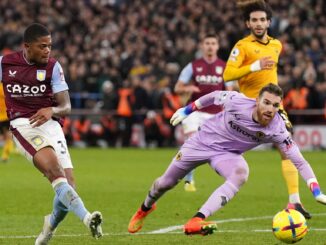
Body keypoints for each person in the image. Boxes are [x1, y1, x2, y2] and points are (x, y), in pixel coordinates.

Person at [128, 83, 326, 236]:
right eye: (266, 102)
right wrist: (188, 110)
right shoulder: (237, 101)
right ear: (257, 100)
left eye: (275, 105)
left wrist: (316, 191)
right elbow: (214, 97)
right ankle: (144, 208)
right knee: (165, 183)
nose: (270, 109)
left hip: (227, 155)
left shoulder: (277, 129)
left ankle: (197, 220)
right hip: (200, 143)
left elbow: (300, 161)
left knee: (241, 173)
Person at [0, 23, 103, 244]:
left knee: (69, 185)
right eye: (42, 46)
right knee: (55, 170)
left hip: (51, 123)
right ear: (26, 47)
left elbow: (66, 106)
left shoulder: (54, 67)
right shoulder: (5, 63)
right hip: (23, 125)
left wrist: (52, 109)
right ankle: (87, 218)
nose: (48, 51)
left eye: (50, 46)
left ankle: (49, 227)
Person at [222, 0, 311, 219]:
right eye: (254, 20)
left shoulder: (276, 45)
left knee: (287, 147)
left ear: (269, 22)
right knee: (228, 151)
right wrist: (254, 66)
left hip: (273, 106)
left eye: (262, 19)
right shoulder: (242, 46)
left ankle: (295, 202)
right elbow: (227, 75)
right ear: (248, 23)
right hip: (249, 107)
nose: (259, 23)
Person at [174, 32, 231, 192]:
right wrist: (188, 87)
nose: (210, 46)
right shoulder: (193, 66)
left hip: (215, 114)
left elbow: (231, 89)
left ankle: (229, 177)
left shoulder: (225, 67)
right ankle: (189, 181)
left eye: (213, 43)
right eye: (207, 43)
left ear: (217, 46)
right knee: (192, 142)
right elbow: (177, 87)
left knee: (216, 148)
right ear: (202, 46)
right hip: (194, 111)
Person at [0, 83, 14, 162]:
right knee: (8, 136)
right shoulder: (4, 87)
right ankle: (5, 156)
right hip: (5, 116)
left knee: (5, 137)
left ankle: (11, 151)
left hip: (2, 117)